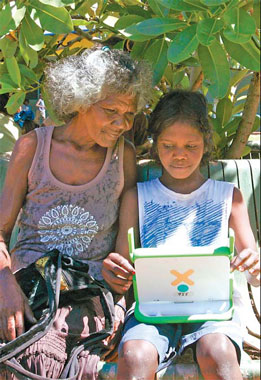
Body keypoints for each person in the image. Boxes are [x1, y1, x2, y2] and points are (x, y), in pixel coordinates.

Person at [0, 46, 152, 379]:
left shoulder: (122, 156)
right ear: (80, 100)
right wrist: (4, 281)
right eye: (111, 109)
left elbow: (124, 254)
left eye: (129, 114)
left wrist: (122, 300)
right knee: (29, 345)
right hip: (31, 282)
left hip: (90, 292)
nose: (121, 124)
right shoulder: (33, 148)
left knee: (67, 347)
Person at [102, 90, 260, 380]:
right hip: (152, 308)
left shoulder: (229, 197)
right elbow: (122, 266)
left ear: (205, 143)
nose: (179, 154)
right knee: (135, 355)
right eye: (168, 145)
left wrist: (253, 265)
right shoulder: (137, 197)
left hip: (214, 310)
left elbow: (255, 273)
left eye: (191, 145)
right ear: (155, 144)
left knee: (219, 352)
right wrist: (115, 271)